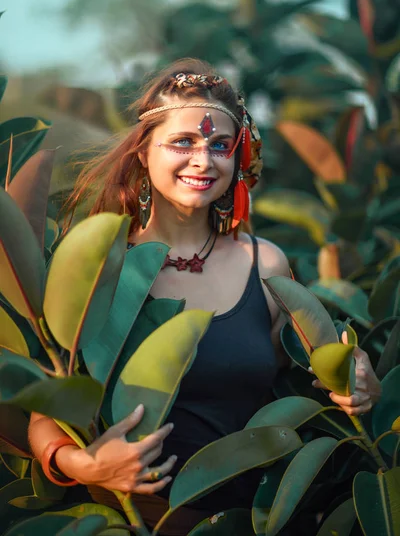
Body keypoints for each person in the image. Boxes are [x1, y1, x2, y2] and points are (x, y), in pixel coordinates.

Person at [28, 59, 382, 536]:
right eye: (183, 142)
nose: (203, 160)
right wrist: (84, 465)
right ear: (142, 152)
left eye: (220, 145)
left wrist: (358, 380)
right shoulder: (98, 266)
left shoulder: (266, 264)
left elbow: (311, 372)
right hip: (131, 520)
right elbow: (46, 409)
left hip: (253, 521)